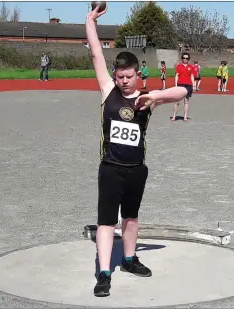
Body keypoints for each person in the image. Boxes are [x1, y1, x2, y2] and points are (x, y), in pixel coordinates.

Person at [85, 4, 188, 298]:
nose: (123, 81)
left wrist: (154, 95)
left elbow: (183, 91)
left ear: (137, 74)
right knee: (106, 220)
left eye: (128, 76)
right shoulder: (108, 91)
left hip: (136, 170)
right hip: (111, 168)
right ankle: (104, 273)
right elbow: (95, 52)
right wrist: (90, 21)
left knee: (131, 217)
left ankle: (129, 260)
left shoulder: (147, 99)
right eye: (120, 76)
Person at [171, 52, 194, 122]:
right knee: (177, 102)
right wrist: (175, 85)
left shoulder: (191, 67)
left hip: (188, 85)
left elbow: (192, 76)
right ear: (182, 59)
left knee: (186, 101)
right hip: (180, 85)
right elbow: (176, 76)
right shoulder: (179, 66)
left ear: (188, 59)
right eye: (184, 58)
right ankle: (174, 116)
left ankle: (185, 117)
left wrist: (194, 85)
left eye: (187, 58)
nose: (185, 59)